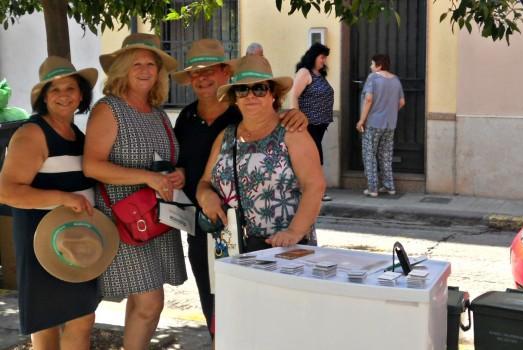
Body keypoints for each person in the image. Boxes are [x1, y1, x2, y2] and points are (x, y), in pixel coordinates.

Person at [171, 38, 308, 337]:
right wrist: (186, 182)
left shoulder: (247, 113)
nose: (202, 77)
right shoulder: (185, 117)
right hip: (208, 228)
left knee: (274, 323)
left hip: (267, 238)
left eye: (210, 70)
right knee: (218, 310)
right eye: (195, 72)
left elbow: (310, 181)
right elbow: (183, 164)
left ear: (225, 73)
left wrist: (297, 114)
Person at [83, 33, 187, 349]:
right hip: (123, 220)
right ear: (122, 69)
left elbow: (165, 162)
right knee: (150, 299)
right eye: (136, 64)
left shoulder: (156, 112)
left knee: (147, 300)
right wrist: (148, 178)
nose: (144, 70)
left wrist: (177, 174)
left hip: (157, 218)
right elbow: (92, 166)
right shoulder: (109, 108)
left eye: (151, 64)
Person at [0, 56, 99, 348]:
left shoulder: (78, 136)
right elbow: (6, 191)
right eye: (54, 90)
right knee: (47, 322)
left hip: (78, 240)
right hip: (41, 243)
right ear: (44, 97)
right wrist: (62, 198)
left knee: (83, 316)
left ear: (81, 94)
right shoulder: (32, 133)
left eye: (70, 88)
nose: (64, 95)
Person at [197, 54, 325, 255]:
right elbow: (204, 182)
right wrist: (206, 197)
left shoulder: (291, 132)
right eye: (242, 89)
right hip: (231, 248)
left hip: (283, 249)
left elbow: (315, 185)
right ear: (235, 98)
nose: (250, 96)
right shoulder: (226, 136)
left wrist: (294, 231)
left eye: (259, 88)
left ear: (272, 94)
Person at [356, 54, 405, 197]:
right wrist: (389, 111)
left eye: (372, 64)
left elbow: (369, 99)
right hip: (390, 123)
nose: (371, 67)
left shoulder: (373, 78)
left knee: (369, 154)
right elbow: (402, 102)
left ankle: (372, 188)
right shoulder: (395, 80)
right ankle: (389, 187)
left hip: (373, 122)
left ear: (379, 65)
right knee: (386, 155)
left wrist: (361, 120)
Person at [290, 43, 333, 201]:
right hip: (308, 125)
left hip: (319, 125)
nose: (324, 61)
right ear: (314, 56)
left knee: (314, 157)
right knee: (314, 157)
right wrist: (296, 118)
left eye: (325, 58)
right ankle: (315, 190)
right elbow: (294, 95)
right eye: (322, 57)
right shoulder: (305, 72)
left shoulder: (319, 74)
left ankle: (313, 189)